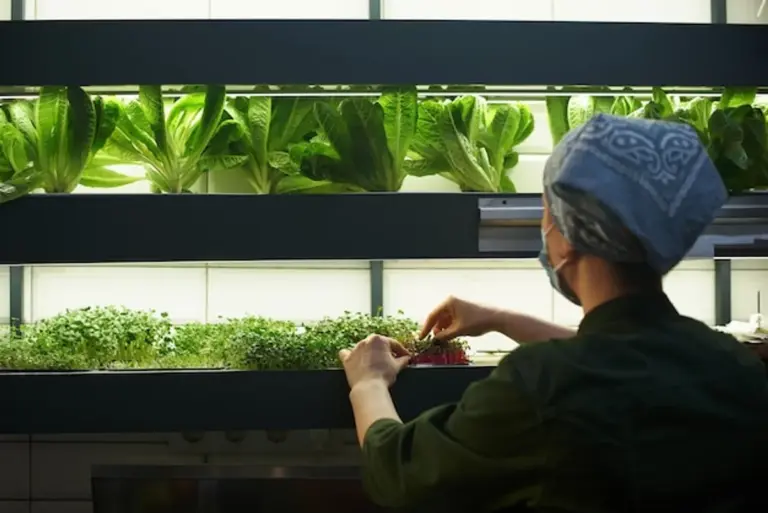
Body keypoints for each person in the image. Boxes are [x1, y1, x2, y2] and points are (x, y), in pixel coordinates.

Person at [338, 114, 768, 513]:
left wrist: (368, 383)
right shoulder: (732, 365)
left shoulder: (538, 386)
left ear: (567, 237)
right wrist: (501, 319)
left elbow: (398, 471)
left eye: (547, 214)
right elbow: (626, 359)